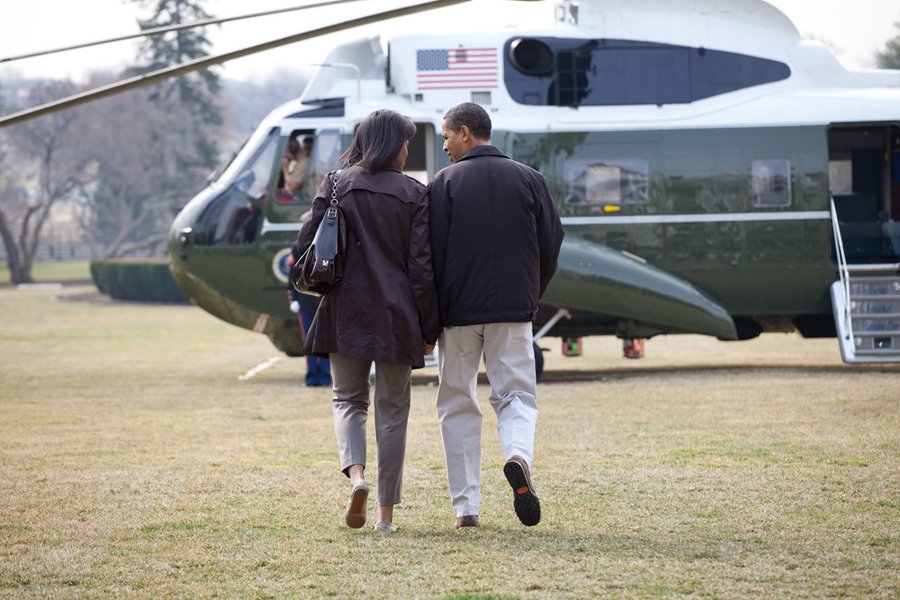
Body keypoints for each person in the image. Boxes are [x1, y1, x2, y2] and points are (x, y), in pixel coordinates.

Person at [295, 110, 440, 533]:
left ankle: (356, 477)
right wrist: (428, 328)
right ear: (395, 144)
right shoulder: (415, 193)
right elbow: (422, 269)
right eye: (407, 142)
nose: (408, 149)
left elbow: (307, 245)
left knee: (347, 400)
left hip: (344, 313)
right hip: (397, 317)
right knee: (393, 411)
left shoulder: (336, 183)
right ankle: (385, 517)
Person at [428, 102, 564, 529]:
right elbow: (551, 243)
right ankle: (517, 457)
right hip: (514, 309)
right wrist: (529, 294)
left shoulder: (444, 183)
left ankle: (466, 509)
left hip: (458, 314)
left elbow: (429, 254)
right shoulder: (530, 180)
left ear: (466, 133)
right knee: (517, 396)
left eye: (447, 136)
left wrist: (433, 314)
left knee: (457, 404)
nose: (444, 145)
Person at [287, 246, 332, 387]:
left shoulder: (329, 245)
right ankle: (311, 376)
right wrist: (293, 298)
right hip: (306, 302)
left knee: (325, 340)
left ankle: (325, 376)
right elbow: (292, 276)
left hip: (324, 302)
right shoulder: (297, 248)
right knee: (308, 341)